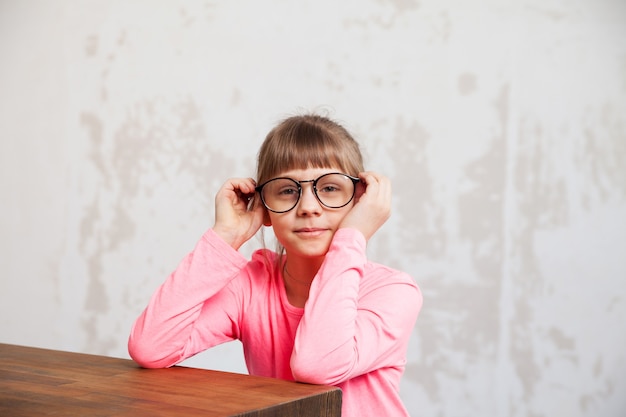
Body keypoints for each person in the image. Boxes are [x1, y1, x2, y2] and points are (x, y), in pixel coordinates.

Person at [128, 113, 422, 417]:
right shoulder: (252, 286)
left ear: (358, 201)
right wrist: (226, 236)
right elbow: (151, 347)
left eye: (330, 188)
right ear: (265, 207)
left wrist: (353, 237)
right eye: (287, 190)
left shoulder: (393, 292)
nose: (308, 207)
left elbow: (318, 365)